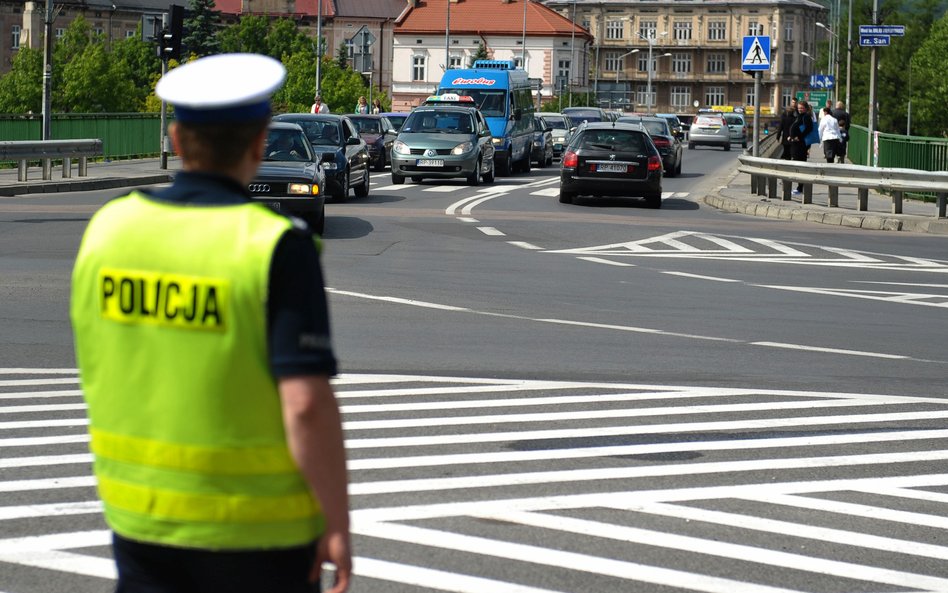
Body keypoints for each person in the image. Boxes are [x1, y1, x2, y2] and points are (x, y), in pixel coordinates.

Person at [70, 53, 352, 593]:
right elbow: (306, 404)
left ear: (177, 140)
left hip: (139, 521)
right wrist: (335, 521)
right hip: (258, 536)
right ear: (258, 143)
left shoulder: (108, 229)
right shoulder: (274, 245)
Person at [788, 100, 813, 194]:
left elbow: (809, 128)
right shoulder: (799, 116)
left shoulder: (806, 116)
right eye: (798, 108)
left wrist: (799, 137)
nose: (800, 110)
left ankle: (800, 187)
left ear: (806, 108)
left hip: (801, 145)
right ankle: (799, 186)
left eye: (802, 108)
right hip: (795, 143)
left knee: (800, 165)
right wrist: (791, 136)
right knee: (797, 164)